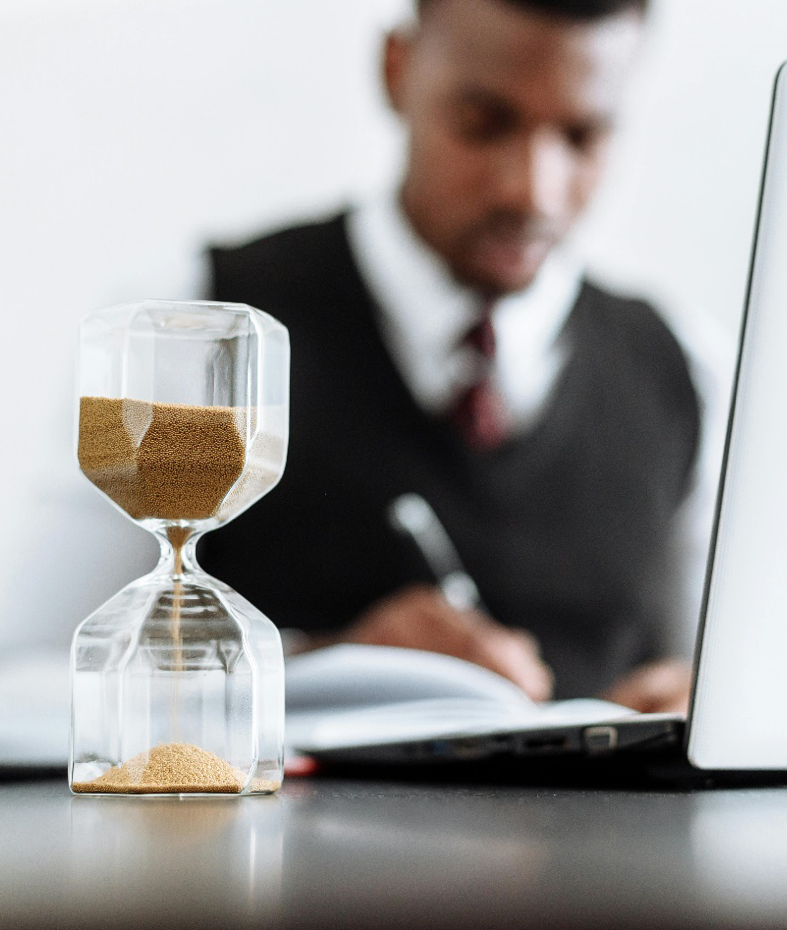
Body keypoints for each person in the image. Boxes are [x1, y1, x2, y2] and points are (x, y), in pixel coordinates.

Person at [201, 0, 727, 713]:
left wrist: (703, 704)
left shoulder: (684, 363)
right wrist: (318, 670)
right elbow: (15, 687)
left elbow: (721, 677)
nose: (531, 191)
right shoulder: (208, 325)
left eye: (582, 136)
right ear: (396, 71)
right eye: (484, 123)